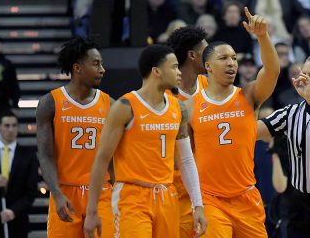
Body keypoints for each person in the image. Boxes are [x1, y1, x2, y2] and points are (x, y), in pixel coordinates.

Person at [83, 44, 207, 238]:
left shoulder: (179, 108)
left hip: (167, 196)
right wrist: (91, 211)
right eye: (173, 67)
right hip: (132, 197)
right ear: (156, 71)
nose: (179, 72)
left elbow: (186, 160)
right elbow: (101, 159)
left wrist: (198, 204)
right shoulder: (125, 106)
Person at [185, 7, 280, 237]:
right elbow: (185, 156)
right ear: (208, 66)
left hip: (246, 196)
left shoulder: (248, 95)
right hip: (210, 199)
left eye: (235, 58)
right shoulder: (190, 105)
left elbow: (272, 71)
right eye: (224, 58)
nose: (232, 63)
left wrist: (262, 36)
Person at [36, 37, 114, 237]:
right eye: (96, 64)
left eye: (102, 64)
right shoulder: (50, 102)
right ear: (77, 68)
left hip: (100, 192)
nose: (102, 69)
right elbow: (45, 155)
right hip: (65, 191)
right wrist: (56, 193)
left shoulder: (109, 103)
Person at [257, 56, 310, 237]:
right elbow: (252, 131)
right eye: (303, 74)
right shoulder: (290, 112)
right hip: (299, 202)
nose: (305, 79)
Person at [166, 27, 209, 238]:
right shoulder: (165, 95)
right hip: (176, 184)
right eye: (206, 51)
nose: (211, 57)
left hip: (211, 184)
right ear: (192, 55)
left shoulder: (211, 86)